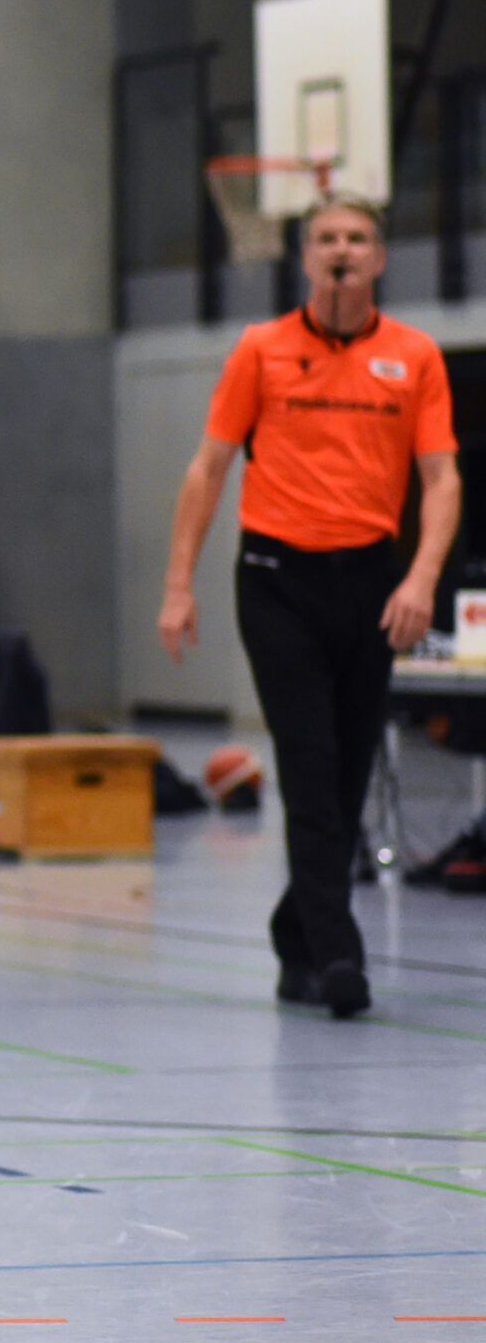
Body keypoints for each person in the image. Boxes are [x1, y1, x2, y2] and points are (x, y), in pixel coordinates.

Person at [158, 197, 459, 1019]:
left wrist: (420, 579)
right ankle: (338, 956)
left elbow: (440, 480)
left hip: (369, 581)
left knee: (351, 767)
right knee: (309, 764)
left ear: (379, 260)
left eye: (357, 239)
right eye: (327, 238)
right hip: (276, 576)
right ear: (306, 258)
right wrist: (179, 585)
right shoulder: (261, 351)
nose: (342, 250)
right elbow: (207, 471)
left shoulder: (415, 356)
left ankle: (296, 934)